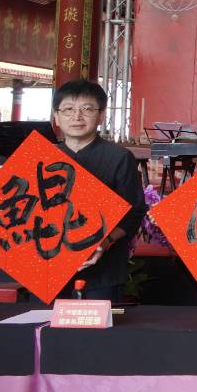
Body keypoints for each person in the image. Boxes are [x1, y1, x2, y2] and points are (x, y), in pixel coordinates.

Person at [52, 79, 146, 302]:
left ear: (101, 116)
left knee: (95, 325)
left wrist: (104, 242)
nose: (77, 117)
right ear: (56, 116)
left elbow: (134, 212)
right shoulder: (43, 159)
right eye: (68, 109)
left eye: (87, 109)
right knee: (45, 324)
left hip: (103, 269)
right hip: (48, 268)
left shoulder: (119, 158)